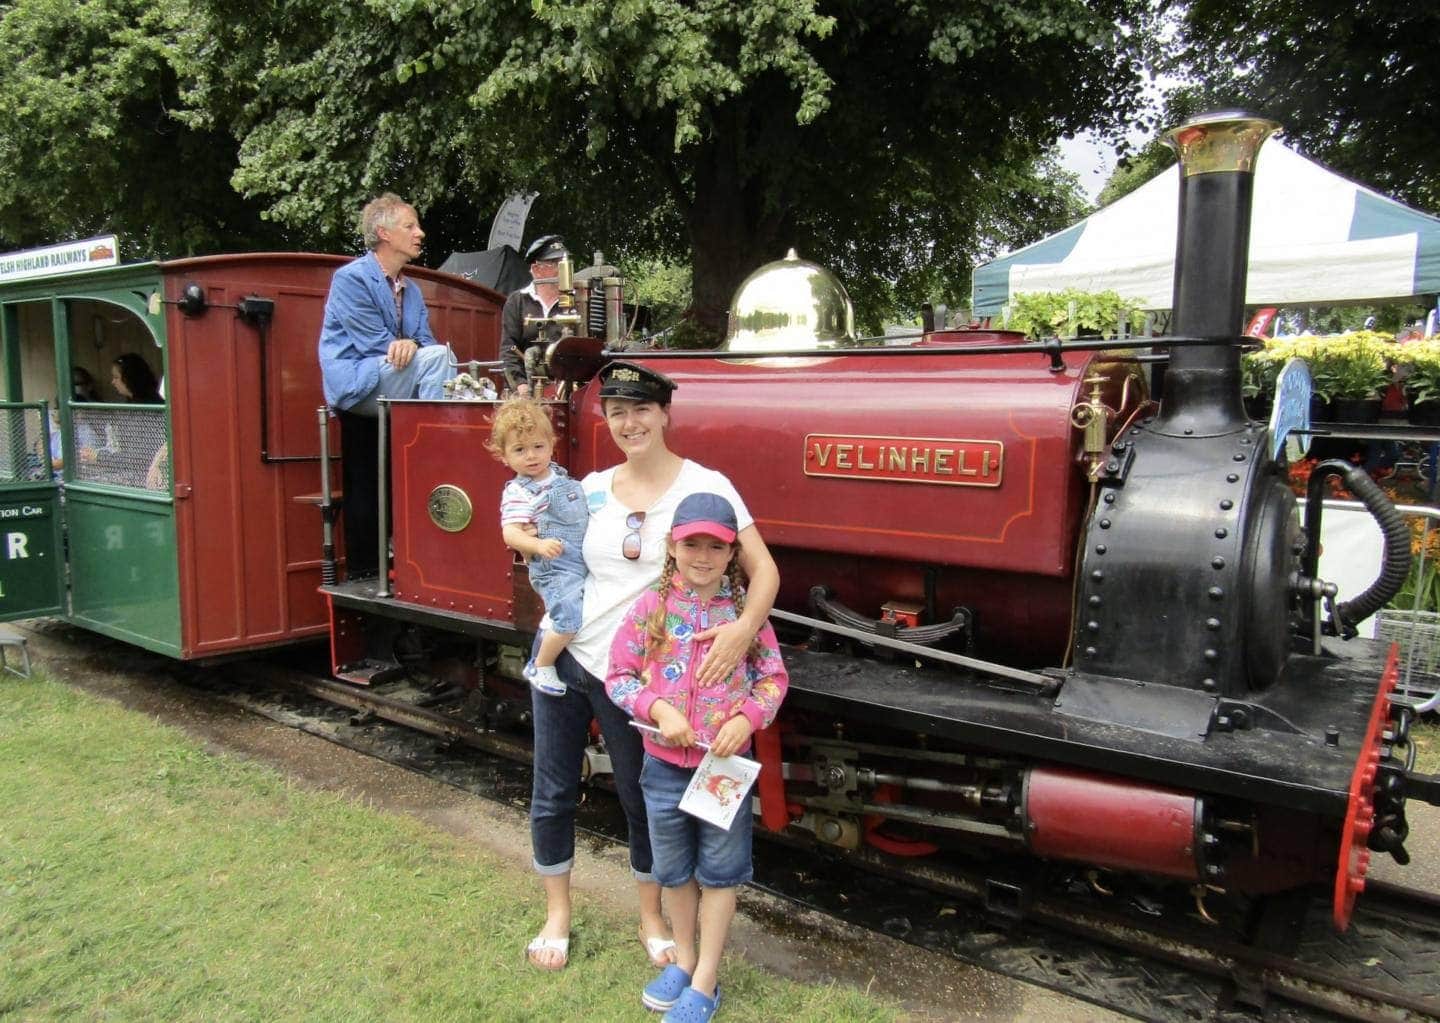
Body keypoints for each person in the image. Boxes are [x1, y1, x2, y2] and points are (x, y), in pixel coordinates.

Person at [524, 360, 780, 973]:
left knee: (643, 802)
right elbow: (551, 557)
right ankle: (557, 914)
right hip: (573, 661)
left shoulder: (706, 484)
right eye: (616, 412)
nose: (629, 422)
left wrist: (744, 631)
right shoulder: (585, 488)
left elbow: (763, 570)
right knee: (553, 791)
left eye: (641, 409)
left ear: (665, 413)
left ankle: (652, 918)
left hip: (641, 683)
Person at [605, 492, 788, 1021]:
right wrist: (658, 708)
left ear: (733, 554)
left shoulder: (744, 620)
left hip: (722, 772)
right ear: (672, 546)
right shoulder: (650, 610)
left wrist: (743, 720)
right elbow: (617, 677)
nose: (703, 557)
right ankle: (683, 962)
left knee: (721, 873)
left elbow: (773, 681)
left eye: (716, 546)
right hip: (662, 766)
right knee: (674, 871)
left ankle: (705, 980)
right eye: (692, 544)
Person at [487, 398, 588, 697]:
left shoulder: (558, 475)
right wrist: (538, 544)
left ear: (551, 444)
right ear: (504, 456)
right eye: (519, 450)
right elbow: (510, 534)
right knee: (569, 619)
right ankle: (540, 664)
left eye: (538, 446)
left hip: (576, 559)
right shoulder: (519, 492)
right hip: (553, 568)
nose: (531, 456)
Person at [317, 192, 449, 414]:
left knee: (447, 359)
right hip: (357, 381)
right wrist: (410, 345)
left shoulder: (413, 290)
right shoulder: (351, 278)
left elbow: (425, 340)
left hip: (393, 373)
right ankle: (433, 441)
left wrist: (413, 344)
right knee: (440, 357)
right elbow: (372, 343)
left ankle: (432, 437)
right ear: (383, 233)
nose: (421, 233)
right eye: (410, 226)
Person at [499, 235, 569, 397]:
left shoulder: (577, 300)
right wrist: (521, 386)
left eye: (565, 263)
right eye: (556, 264)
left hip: (568, 388)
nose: (564, 270)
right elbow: (508, 350)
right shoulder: (517, 301)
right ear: (537, 270)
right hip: (526, 390)